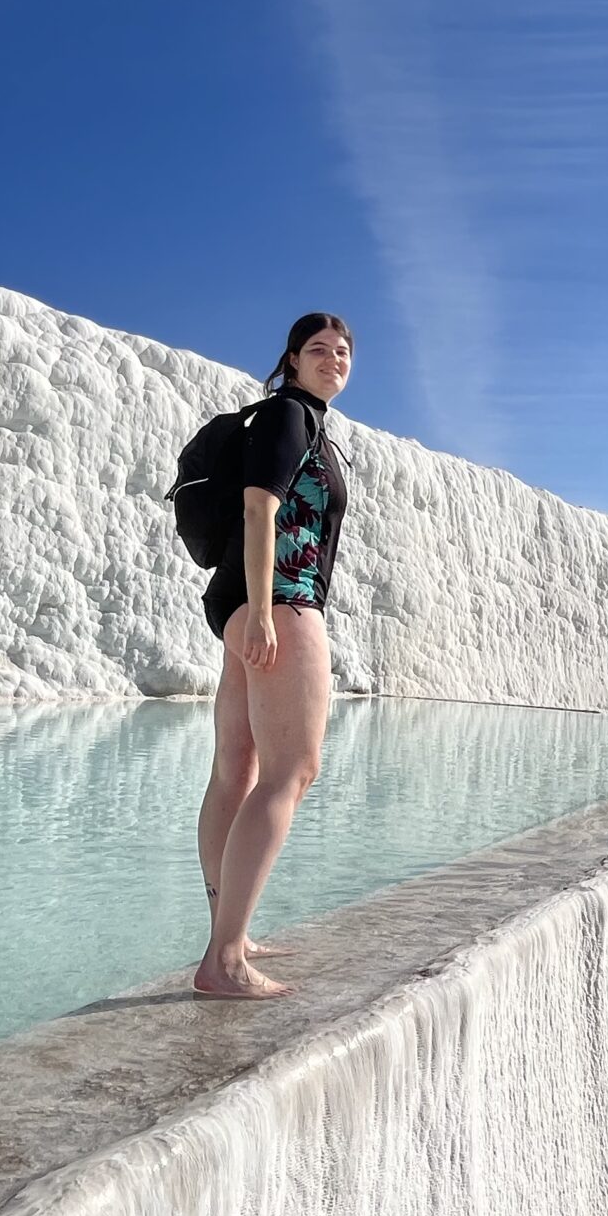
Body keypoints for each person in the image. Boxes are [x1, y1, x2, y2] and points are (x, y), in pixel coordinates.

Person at [192, 313, 354, 1000]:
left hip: (246, 602)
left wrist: (248, 612)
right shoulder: (290, 418)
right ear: (291, 360)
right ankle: (225, 961)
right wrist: (264, 612)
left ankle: (227, 934)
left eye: (344, 351)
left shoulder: (300, 421)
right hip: (280, 600)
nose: (334, 359)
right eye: (318, 349)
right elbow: (261, 507)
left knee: (238, 768)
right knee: (294, 770)